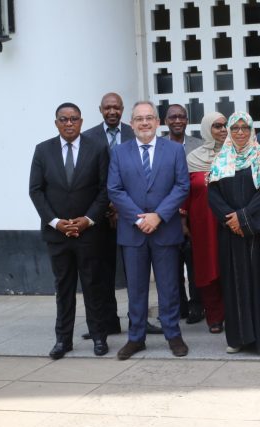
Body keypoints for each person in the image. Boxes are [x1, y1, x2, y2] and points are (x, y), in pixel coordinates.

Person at [108, 101, 190, 360]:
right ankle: (136, 338)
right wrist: (138, 219)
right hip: (133, 233)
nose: (144, 123)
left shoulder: (174, 150)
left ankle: (173, 334)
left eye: (149, 118)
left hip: (165, 230)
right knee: (136, 289)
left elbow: (182, 186)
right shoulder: (119, 152)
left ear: (157, 122)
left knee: (169, 287)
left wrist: (158, 216)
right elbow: (114, 189)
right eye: (139, 119)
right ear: (131, 124)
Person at [29, 102, 110, 359]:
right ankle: (63, 340)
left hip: (90, 233)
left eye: (74, 118)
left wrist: (88, 219)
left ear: (81, 121)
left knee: (93, 286)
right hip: (58, 234)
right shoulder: (43, 150)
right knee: (63, 289)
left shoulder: (97, 148)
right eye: (63, 119)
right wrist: (55, 222)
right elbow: (36, 190)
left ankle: (99, 337)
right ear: (56, 123)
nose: (69, 123)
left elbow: (105, 189)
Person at [208, 111, 260, 354]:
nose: (240, 132)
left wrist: (244, 218)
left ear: (251, 130)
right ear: (229, 131)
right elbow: (213, 195)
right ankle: (238, 339)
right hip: (230, 235)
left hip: (259, 235)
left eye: (245, 127)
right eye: (235, 128)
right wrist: (231, 219)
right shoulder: (221, 159)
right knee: (234, 285)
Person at [81, 92, 134, 340]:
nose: (112, 112)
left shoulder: (134, 133)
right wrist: (107, 206)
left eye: (116, 107)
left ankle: (138, 320)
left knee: (135, 270)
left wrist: (122, 206)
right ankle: (106, 322)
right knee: (102, 271)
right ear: (100, 109)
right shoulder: (88, 137)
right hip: (100, 216)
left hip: (131, 212)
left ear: (122, 109)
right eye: (107, 108)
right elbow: (88, 177)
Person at [184, 112, 227, 334]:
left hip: (230, 221)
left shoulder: (236, 154)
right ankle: (215, 316)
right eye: (217, 126)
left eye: (225, 125)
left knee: (230, 266)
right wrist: (183, 220)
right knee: (207, 267)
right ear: (206, 129)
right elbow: (186, 192)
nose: (223, 130)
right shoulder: (193, 158)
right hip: (203, 223)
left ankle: (234, 313)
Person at [165, 103, 205, 325]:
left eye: (181, 116)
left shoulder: (199, 145)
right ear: (166, 121)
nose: (177, 120)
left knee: (194, 261)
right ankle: (179, 305)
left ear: (187, 121)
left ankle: (197, 305)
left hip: (194, 214)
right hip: (166, 214)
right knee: (172, 263)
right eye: (173, 117)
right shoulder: (159, 146)